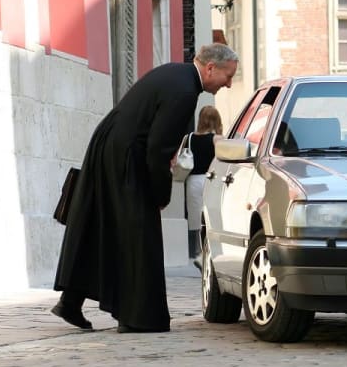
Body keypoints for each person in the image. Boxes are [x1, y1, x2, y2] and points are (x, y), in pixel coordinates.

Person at [51, 43, 239, 332]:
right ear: (211, 68)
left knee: (104, 226)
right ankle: (135, 317)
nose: (228, 83)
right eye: (228, 76)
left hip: (111, 146)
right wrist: (160, 193)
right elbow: (158, 149)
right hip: (127, 155)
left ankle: (70, 302)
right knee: (139, 236)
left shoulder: (176, 75)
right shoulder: (185, 91)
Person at [185, 105, 223, 261]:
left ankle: (195, 251)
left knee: (194, 217)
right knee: (211, 215)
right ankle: (210, 251)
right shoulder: (217, 139)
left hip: (193, 181)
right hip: (209, 179)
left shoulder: (189, 138)